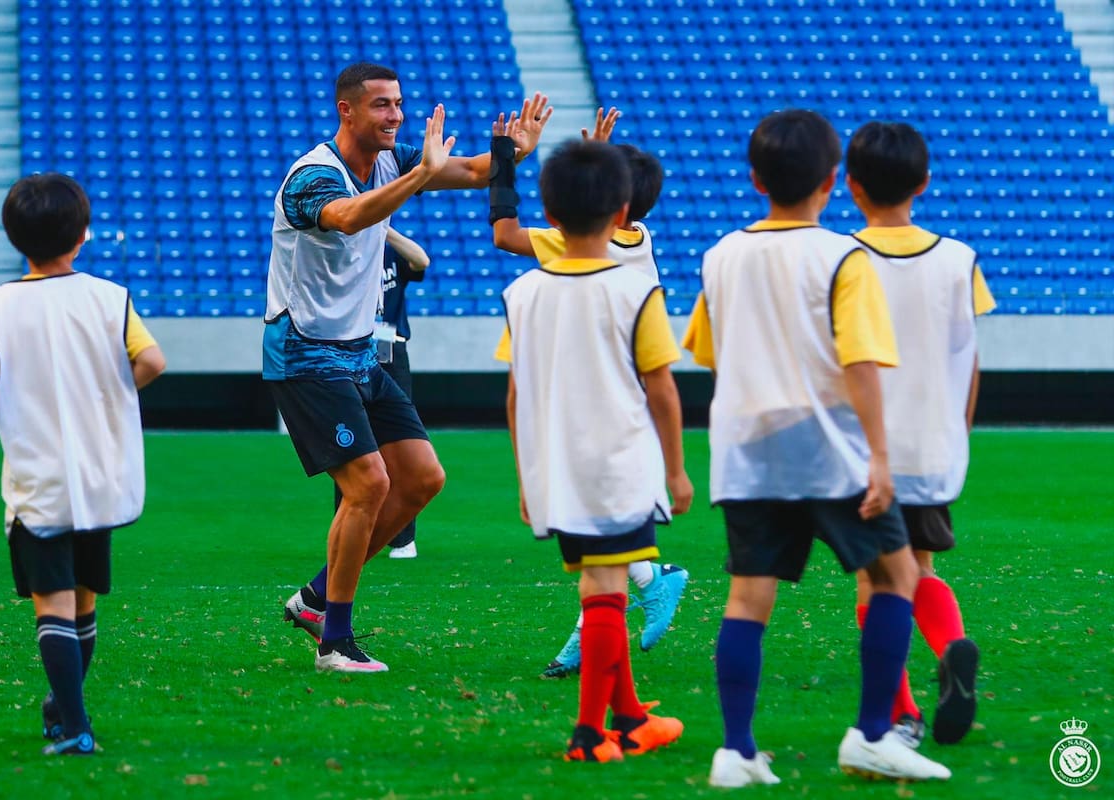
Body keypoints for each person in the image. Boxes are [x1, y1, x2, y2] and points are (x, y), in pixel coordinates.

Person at [681, 110, 951, 786]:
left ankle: (736, 751)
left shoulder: (720, 255)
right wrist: (882, 458)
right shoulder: (843, 256)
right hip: (830, 447)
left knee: (747, 599)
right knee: (896, 577)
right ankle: (871, 734)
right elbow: (860, 363)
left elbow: (710, 352)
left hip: (747, 450)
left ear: (753, 179)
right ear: (833, 181)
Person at [271, 62, 551, 673]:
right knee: (369, 484)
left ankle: (317, 598)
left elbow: (478, 171)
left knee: (422, 479)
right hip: (307, 353)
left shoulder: (394, 163)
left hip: (361, 352)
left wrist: (512, 156)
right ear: (347, 111)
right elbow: (348, 216)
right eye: (381, 106)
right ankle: (334, 643)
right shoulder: (312, 176)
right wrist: (419, 173)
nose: (396, 115)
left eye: (398, 104)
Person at [493, 136, 693, 762]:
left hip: (557, 466)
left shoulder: (522, 293)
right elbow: (661, 388)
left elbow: (515, 394)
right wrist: (679, 471)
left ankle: (630, 712)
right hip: (618, 463)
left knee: (596, 587)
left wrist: (529, 479)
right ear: (620, 214)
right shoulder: (636, 290)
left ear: (548, 217)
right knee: (606, 590)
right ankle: (593, 733)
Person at [0, 173, 166, 756]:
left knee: (51, 603)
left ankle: (74, 725)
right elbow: (152, 361)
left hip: (39, 476)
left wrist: (19, 411)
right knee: (83, 599)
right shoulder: (109, 296)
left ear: (15, 238)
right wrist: (108, 398)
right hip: (99, 474)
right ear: (81, 235)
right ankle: (65, 705)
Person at [845, 121, 996, 748]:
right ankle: (951, 644)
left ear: (850, 187)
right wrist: (956, 432)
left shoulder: (840, 257)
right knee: (920, 566)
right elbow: (970, 355)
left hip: (863, 447)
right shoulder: (959, 259)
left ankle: (902, 713)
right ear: (925, 183)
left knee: (872, 580)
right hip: (932, 445)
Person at [330, 227, 431, 560]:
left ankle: (402, 538)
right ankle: (349, 530)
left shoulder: (391, 251)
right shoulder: (342, 254)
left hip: (392, 352)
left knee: (400, 442)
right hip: (350, 350)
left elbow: (421, 260)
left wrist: (385, 231)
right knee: (351, 445)